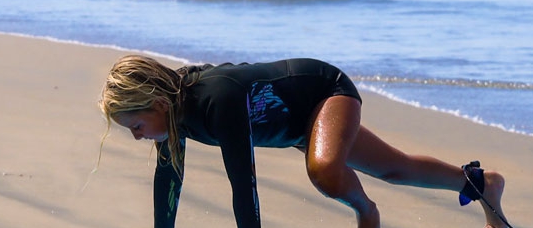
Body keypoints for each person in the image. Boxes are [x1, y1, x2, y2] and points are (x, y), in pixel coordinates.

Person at [98, 55, 510, 228]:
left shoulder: (213, 100)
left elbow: (244, 185)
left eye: (135, 126)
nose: (138, 137)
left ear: (155, 103)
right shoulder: (173, 116)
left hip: (324, 93)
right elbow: (168, 183)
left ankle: (368, 212)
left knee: (325, 171)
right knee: (395, 167)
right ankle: (480, 184)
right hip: (298, 127)